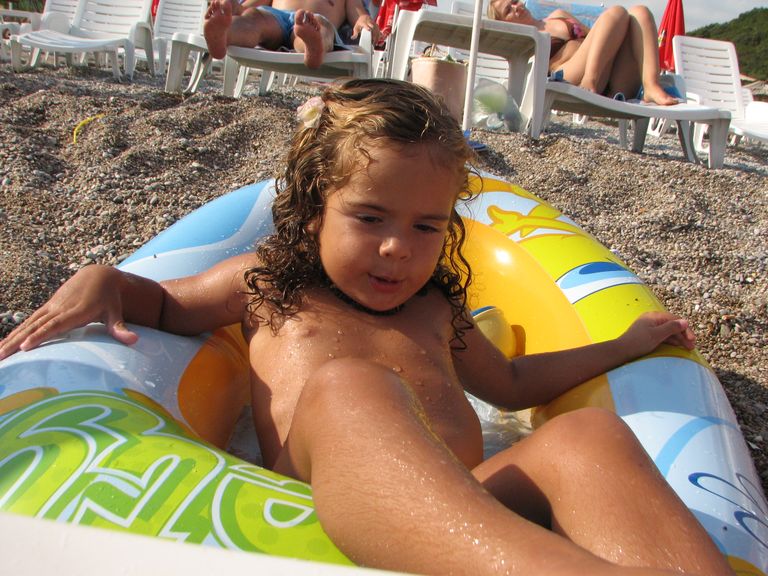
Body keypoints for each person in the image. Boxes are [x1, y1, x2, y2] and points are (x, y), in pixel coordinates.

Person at [0, 79, 731, 576]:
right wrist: (103, 279)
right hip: (326, 505)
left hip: (466, 503)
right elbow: (165, 304)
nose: (397, 249)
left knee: (588, 437)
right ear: (315, 206)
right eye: (370, 218)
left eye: (425, 226)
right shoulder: (268, 284)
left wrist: (621, 345)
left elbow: (511, 384)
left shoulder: (436, 309)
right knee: (352, 385)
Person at [488, 0, 680, 106]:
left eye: (515, 1)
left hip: (611, 79)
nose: (516, 7)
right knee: (617, 12)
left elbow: (598, 34)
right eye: (508, 10)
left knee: (640, 12)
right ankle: (590, 80)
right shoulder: (524, 40)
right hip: (571, 79)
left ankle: (651, 85)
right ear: (504, 23)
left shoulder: (558, 15)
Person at [204, 0, 380, 69]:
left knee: (320, 28)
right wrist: (236, 8)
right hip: (277, 16)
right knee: (253, 18)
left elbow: (358, 12)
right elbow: (249, 7)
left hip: (313, 21)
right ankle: (224, 34)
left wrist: (364, 20)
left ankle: (312, 48)